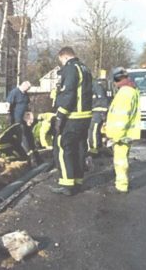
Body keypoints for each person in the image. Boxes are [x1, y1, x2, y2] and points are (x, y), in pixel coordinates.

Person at [50, 46, 93, 196]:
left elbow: (69, 93)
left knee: (63, 147)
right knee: (80, 148)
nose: (61, 64)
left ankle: (67, 184)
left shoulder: (70, 68)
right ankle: (78, 181)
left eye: (60, 61)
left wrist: (60, 115)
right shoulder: (85, 69)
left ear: (64, 57)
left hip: (72, 117)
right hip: (85, 116)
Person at [105, 67, 141, 194]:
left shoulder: (124, 93)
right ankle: (121, 183)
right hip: (126, 133)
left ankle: (121, 186)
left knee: (120, 161)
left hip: (121, 134)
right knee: (123, 159)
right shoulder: (131, 90)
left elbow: (121, 116)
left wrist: (115, 136)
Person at [7, 82, 42, 166]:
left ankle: (36, 156)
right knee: (23, 137)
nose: (27, 90)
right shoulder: (14, 92)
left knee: (29, 136)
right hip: (17, 119)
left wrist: (30, 118)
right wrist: (9, 117)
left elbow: (27, 107)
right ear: (23, 86)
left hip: (25, 120)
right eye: (27, 88)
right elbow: (8, 105)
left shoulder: (25, 95)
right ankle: (29, 157)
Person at [88, 69, 110, 157]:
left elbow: (102, 100)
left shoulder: (95, 85)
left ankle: (94, 149)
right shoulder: (91, 85)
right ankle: (99, 147)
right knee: (95, 131)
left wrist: (103, 113)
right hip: (94, 110)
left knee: (93, 130)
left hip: (98, 111)